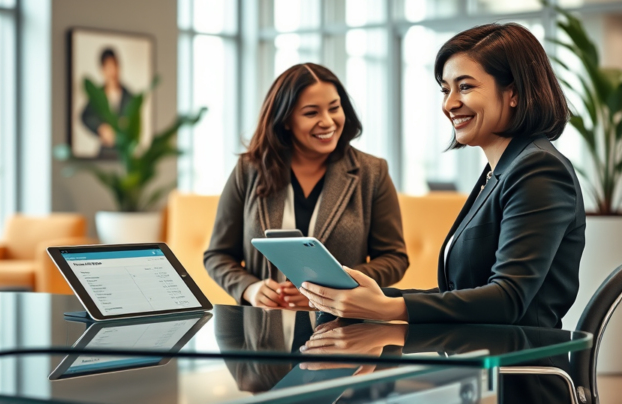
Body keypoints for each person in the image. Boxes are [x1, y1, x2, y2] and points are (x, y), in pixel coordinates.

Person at [300, 23, 586, 329]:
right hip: (473, 361)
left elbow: (508, 299)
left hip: (516, 370)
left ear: (513, 92)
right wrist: (377, 297)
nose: (449, 104)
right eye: (446, 89)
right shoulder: (500, 171)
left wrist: (388, 308)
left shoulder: (538, 169)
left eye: (465, 87)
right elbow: (461, 296)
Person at [204, 63, 409, 309]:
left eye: (334, 108)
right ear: (286, 120)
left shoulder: (372, 173)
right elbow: (217, 255)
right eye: (311, 113)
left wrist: (332, 288)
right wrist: (249, 288)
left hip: (342, 331)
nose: (328, 122)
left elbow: (394, 259)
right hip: (262, 333)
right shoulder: (248, 170)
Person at [81, 48, 133, 156]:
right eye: (108, 67)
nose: (112, 71)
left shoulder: (129, 96)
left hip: (125, 152)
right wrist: (101, 128)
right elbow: (85, 116)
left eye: (115, 66)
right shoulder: (98, 95)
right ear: (102, 70)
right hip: (105, 150)